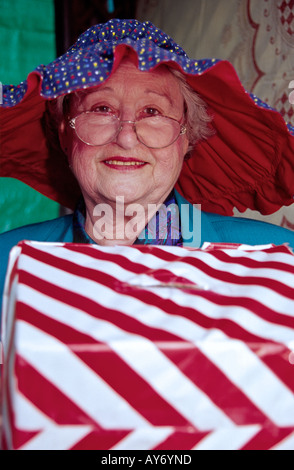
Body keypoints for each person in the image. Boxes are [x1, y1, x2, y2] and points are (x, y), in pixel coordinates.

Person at [1, 18, 294, 325]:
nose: (126, 137)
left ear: (186, 136)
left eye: (152, 112)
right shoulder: (4, 262)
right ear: (65, 133)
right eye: (101, 109)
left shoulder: (279, 260)